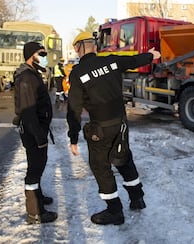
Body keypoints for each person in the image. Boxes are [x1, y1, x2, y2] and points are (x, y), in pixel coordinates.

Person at [66, 32, 161, 225]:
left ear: (78, 48)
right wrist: (151, 55)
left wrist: (73, 137)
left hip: (99, 130)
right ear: (94, 46)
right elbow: (134, 61)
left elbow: (74, 108)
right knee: (123, 159)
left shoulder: (78, 72)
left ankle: (114, 212)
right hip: (121, 125)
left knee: (101, 168)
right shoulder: (111, 61)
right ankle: (137, 199)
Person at [13, 41, 57, 224]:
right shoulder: (27, 78)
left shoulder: (33, 74)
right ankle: (35, 212)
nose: (45, 58)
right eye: (42, 54)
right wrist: (39, 136)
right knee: (34, 169)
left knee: (38, 166)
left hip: (37, 128)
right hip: (33, 131)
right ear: (32, 56)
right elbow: (29, 111)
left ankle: (37, 196)